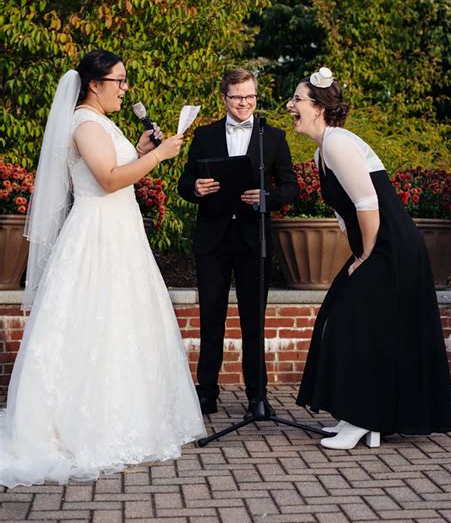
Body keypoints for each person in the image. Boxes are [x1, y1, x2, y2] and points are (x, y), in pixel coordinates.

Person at [0, 50, 206, 487]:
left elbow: (119, 169)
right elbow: (109, 179)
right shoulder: (85, 123)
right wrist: (161, 156)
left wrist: (143, 149)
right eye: (120, 80)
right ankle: (88, 429)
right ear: (95, 84)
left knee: (124, 323)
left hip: (121, 229)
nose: (125, 88)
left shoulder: (104, 122)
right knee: (96, 322)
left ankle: (131, 418)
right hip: (96, 234)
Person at [289, 67, 451, 450]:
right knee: (358, 325)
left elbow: (368, 203)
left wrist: (366, 252)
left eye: (297, 99)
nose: (290, 106)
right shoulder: (324, 149)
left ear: (318, 107)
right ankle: (369, 418)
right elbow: (344, 210)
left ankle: (360, 418)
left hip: (390, 246)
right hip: (379, 245)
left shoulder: (338, 143)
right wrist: (359, 248)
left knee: (350, 323)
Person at [178, 69, 298, 417]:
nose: (244, 103)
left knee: (253, 323)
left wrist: (267, 198)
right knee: (210, 319)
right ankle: (207, 394)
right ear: (224, 99)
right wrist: (195, 189)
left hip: (253, 239)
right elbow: (185, 182)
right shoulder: (204, 135)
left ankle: (257, 398)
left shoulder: (272, 136)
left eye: (250, 96)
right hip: (213, 239)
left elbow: (290, 186)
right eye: (237, 97)